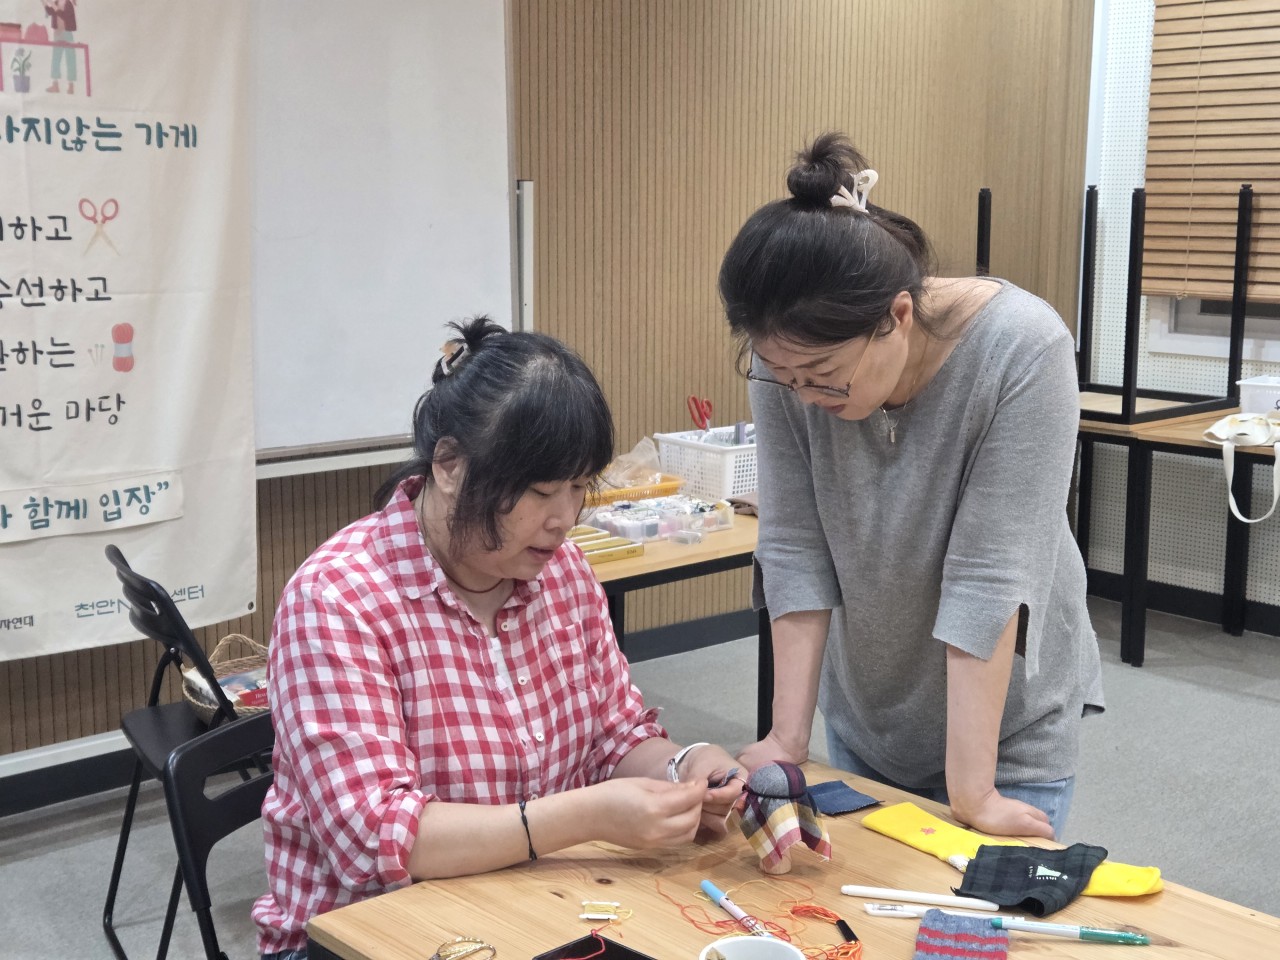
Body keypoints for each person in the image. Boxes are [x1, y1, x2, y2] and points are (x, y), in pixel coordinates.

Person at [253, 317, 742, 960]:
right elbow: (375, 838)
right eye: (541, 491)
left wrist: (686, 767)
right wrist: (589, 815)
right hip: (366, 933)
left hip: (529, 901)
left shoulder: (560, 570)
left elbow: (614, 736)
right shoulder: (339, 599)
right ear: (449, 464)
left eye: (579, 487)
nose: (564, 519)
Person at [720, 133, 1103, 841]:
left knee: (977, 914)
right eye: (784, 376)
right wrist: (786, 738)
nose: (804, 397)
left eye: (822, 376)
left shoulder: (1023, 349)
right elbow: (795, 544)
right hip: (868, 714)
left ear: (897, 316)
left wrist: (973, 790)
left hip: (1003, 743)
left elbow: (989, 575)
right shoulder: (790, 363)